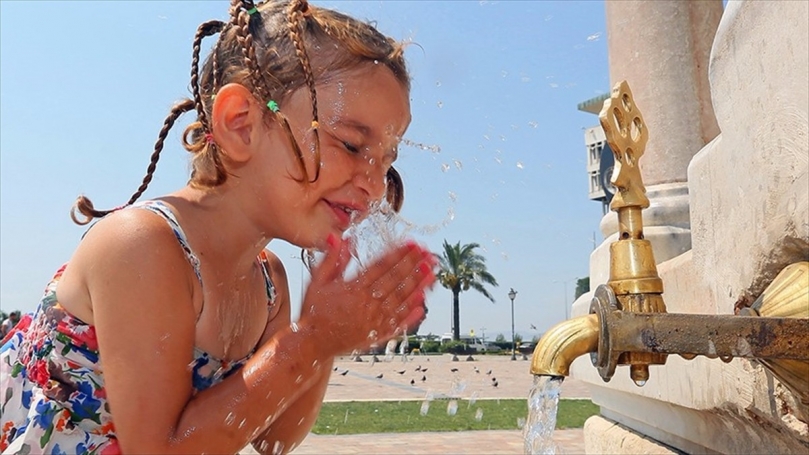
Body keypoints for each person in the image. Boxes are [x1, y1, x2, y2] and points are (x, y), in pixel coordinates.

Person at [0, 1, 435, 453]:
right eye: (350, 144)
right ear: (241, 124)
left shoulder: (270, 286)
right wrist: (310, 340)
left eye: (386, 161)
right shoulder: (142, 247)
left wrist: (323, 340)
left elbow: (274, 438)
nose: (374, 185)